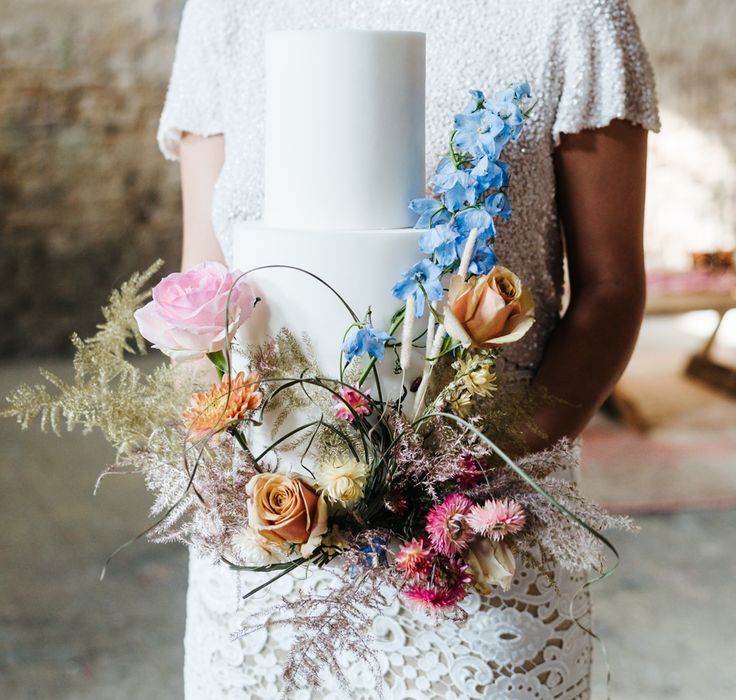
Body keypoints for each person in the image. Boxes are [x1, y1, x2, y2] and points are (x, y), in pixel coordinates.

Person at [157, 1, 659, 697]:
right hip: (266, 533)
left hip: (472, 545)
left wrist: (471, 476)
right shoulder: (223, 13)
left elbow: (611, 289)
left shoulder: (570, 15)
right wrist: (223, 455)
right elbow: (204, 283)